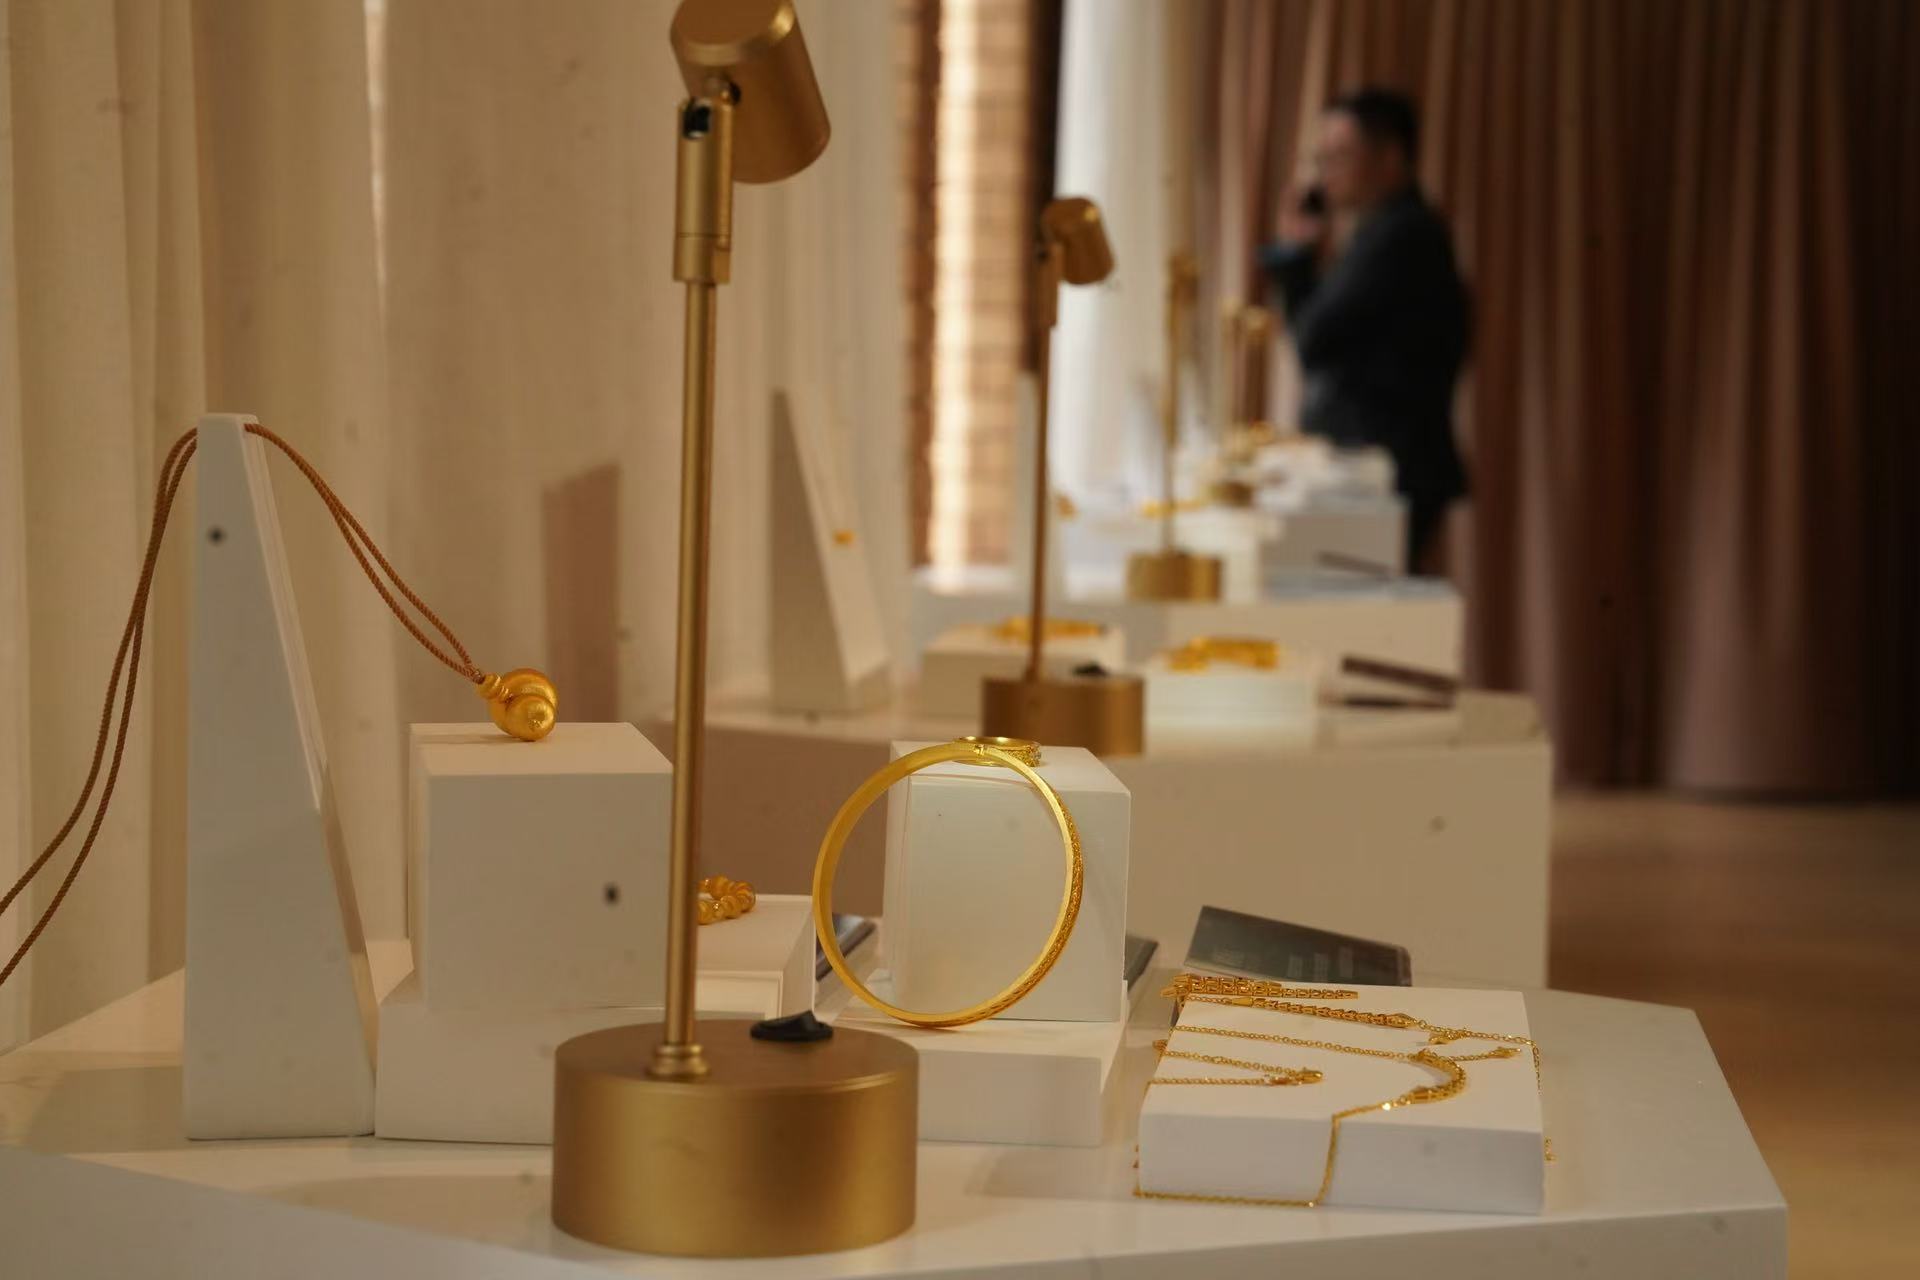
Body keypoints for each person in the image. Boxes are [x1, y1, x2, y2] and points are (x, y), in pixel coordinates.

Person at [1260, 87, 1469, 572]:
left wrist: (1295, 256)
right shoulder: (1382, 233)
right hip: (1380, 467)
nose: (1324, 174)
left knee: (1350, 605)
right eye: (1321, 158)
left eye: (1340, 156)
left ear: (1390, 157)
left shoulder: (1402, 234)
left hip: (1385, 471)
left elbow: (1314, 338)